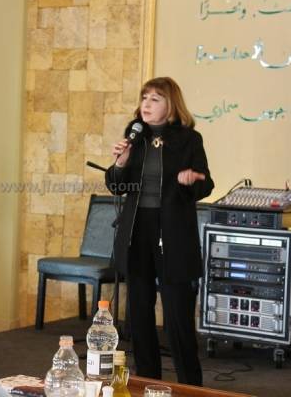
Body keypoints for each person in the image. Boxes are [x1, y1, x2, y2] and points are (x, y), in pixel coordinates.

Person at [105, 77, 214, 386]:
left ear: (171, 105)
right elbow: (116, 186)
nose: (146, 104)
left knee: (178, 316)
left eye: (155, 99)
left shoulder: (189, 139)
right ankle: (147, 383)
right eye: (144, 98)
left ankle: (189, 387)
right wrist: (120, 164)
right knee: (139, 315)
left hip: (174, 235)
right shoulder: (134, 135)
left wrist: (191, 180)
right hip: (137, 232)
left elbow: (206, 184)